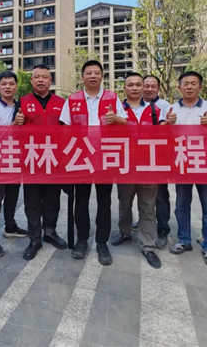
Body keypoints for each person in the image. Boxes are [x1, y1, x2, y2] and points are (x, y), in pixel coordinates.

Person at [59, 60, 127, 265]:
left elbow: (124, 122)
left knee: (104, 201)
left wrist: (115, 118)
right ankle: (82, 240)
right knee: (81, 200)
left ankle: (101, 242)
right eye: (89, 73)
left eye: (96, 73)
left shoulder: (112, 98)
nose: (93, 76)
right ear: (82, 77)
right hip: (81, 158)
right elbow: (64, 129)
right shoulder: (72, 100)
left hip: (105, 157)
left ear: (102, 76)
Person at [166, 71, 207, 268]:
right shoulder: (172, 109)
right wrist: (168, 125)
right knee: (181, 205)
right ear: (179, 87)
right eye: (186, 83)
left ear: (200, 87)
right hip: (182, 164)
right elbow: (164, 138)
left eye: (193, 83)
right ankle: (184, 239)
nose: (189, 87)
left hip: (206, 165)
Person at [111, 72, 162, 268]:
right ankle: (124, 232)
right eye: (130, 85)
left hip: (149, 167)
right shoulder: (116, 111)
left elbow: (163, 136)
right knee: (124, 203)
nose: (134, 88)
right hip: (125, 166)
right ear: (124, 88)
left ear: (143, 88)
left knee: (148, 206)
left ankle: (148, 245)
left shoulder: (156, 111)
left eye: (138, 84)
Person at [17, 64, 67, 261]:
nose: (40, 80)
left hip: (54, 160)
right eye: (36, 77)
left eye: (44, 77)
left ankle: (50, 232)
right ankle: (35, 238)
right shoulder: (22, 102)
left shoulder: (61, 103)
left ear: (50, 80)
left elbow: (68, 130)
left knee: (53, 200)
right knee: (32, 202)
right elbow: (14, 129)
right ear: (31, 80)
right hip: (31, 160)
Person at [0, 71, 28, 257]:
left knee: (12, 196)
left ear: (16, 86)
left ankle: (10, 226)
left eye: (11, 83)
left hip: (16, 159)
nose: (8, 87)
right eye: (4, 84)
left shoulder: (21, 107)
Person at [141, 74, 171, 248]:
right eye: (146, 85)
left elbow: (167, 131)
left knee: (160, 195)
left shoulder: (165, 106)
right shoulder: (132, 105)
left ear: (158, 88)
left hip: (158, 158)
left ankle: (162, 229)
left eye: (153, 86)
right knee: (141, 194)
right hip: (137, 158)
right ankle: (144, 222)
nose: (149, 89)